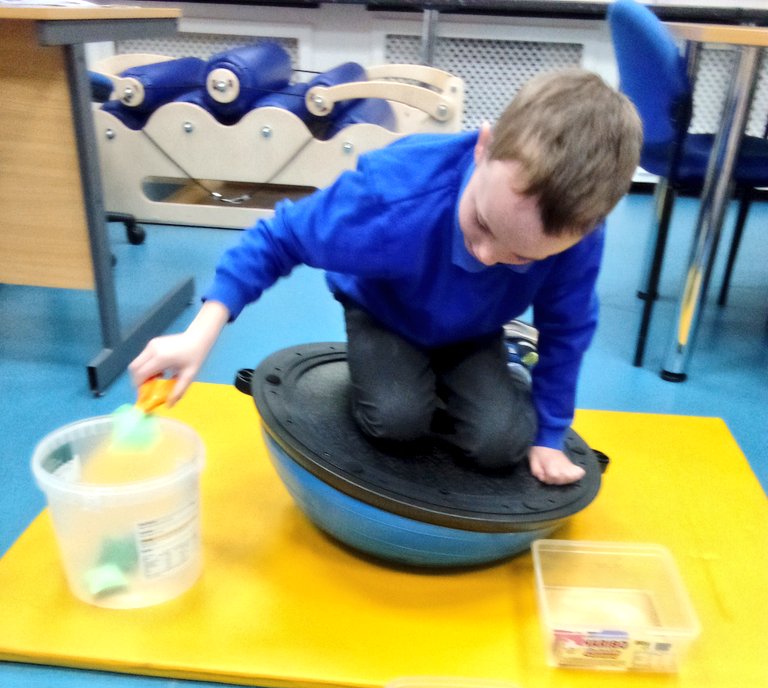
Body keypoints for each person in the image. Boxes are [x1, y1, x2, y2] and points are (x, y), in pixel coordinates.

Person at [130, 68, 642, 485]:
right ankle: (403, 375)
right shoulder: (392, 196)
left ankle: (456, 380)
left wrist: (551, 434)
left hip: (475, 329)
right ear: (483, 148)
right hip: (385, 312)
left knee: (501, 443)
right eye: (483, 225)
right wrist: (202, 332)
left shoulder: (576, 238)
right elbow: (279, 237)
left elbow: (567, 329)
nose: (487, 256)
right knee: (397, 420)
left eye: (519, 257)